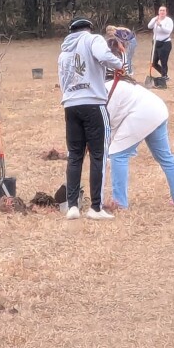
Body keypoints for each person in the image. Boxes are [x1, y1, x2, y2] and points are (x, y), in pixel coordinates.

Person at [57, 18, 123, 220]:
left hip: (70, 105)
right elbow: (104, 56)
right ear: (88, 29)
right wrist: (119, 62)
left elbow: (62, 80)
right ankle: (95, 207)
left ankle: (72, 206)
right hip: (93, 103)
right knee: (98, 155)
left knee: (75, 155)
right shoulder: (92, 39)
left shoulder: (64, 52)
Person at [104, 76, 174, 209]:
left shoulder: (104, 93)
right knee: (165, 157)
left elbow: (109, 125)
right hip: (158, 110)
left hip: (144, 113)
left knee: (118, 154)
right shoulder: (111, 86)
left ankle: (119, 202)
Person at [146, 6, 174, 89]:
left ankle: (164, 76)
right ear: (158, 12)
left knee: (163, 61)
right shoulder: (155, 18)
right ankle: (164, 74)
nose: (162, 12)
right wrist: (155, 20)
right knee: (153, 62)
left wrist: (160, 25)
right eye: (160, 10)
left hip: (165, 43)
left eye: (163, 11)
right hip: (155, 43)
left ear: (166, 12)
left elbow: (168, 31)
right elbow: (149, 26)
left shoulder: (169, 20)